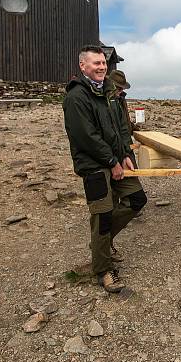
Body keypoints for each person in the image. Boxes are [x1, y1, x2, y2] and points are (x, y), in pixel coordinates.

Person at [63, 45, 147, 293]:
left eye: (103, 63)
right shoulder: (76, 97)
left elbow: (122, 128)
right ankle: (103, 269)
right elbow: (86, 137)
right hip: (94, 166)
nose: (101, 67)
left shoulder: (110, 93)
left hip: (117, 159)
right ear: (82, 66)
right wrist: (112, 162)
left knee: (136, 199)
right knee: (102, 216)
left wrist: (126, 154)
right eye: (95, 63)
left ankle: (101, 243)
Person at [109, 69, 137, 133]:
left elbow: (124, 120)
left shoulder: (121, 99)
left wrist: (132, 128)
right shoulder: (104, 100)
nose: (121, 91)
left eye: (122, 88)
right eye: (118, 88)